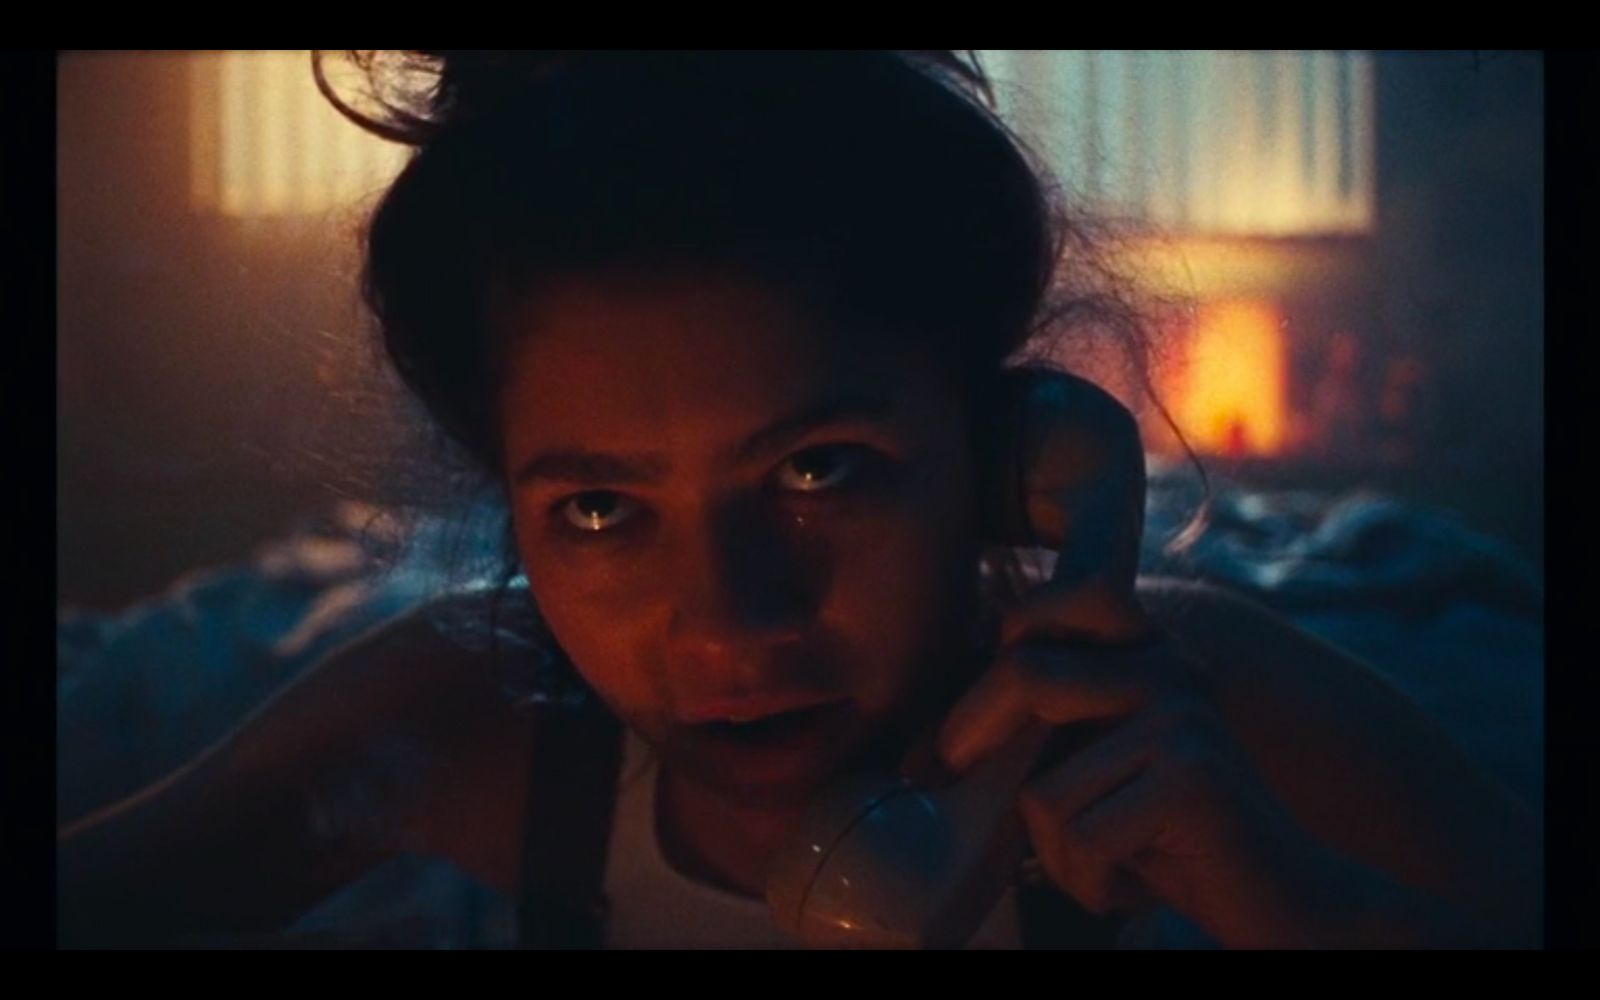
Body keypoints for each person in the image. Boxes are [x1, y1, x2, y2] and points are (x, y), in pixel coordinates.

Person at [57, 50, 1540, 949]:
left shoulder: (1212, 707)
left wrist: (1307, 916)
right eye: (596, 511)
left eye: (817, 471)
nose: (731, 624)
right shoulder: (472, 724)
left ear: (1009, 454)